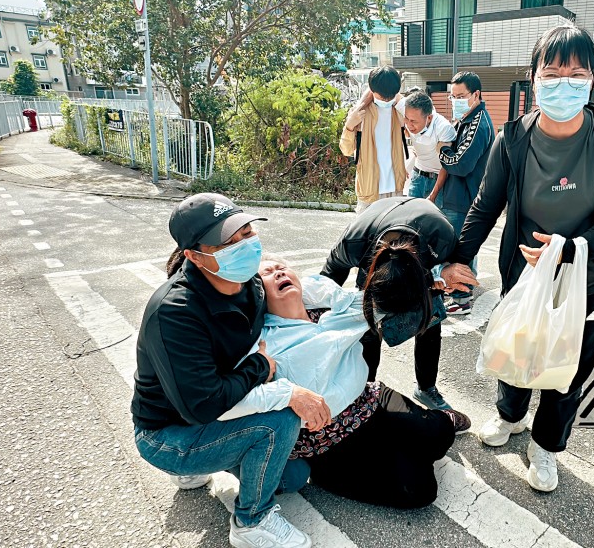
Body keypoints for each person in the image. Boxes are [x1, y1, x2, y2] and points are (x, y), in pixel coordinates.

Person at [440, 25, 594, 492]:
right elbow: (485, 205)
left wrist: (574, 247)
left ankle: (546, 446)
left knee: (567, 366)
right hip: (524, 272)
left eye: (577, 74)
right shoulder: (513, 138)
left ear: (593, 80)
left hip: (586, 277)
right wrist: (458, 259)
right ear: (533, 79)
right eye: (552, 73)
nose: (564, 83)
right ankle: (510, 417)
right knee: (520, 346)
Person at [132, 193, 331, 548]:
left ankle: (202, 465)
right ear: (194, 255)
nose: (246, 245)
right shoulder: (175, 312)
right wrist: (266, 372)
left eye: (247, 233)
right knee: (281, 421)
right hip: (168, 433)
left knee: (294, 476)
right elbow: (203, 406)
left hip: (214, 412)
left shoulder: (251, 286)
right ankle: (252, 523)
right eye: (228, 242)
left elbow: (300, 297)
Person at [225, 259, 470, 509]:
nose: (278, 272)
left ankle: (435, 424)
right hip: (328, 441)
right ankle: (335, 472)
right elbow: (232, 400)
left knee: (437, 436)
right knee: (419, 492)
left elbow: (388, 297)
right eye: (268, 272)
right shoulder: (263, 345)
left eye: (283, 268)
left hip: (371, 402)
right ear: (257, 292)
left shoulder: (333, 309)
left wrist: (437, 278)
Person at [321, 197, 476, 411]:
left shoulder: (442, 238)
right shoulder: (353, 244)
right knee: (369, 327)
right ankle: (365, 392)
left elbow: (456, 264)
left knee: (430, 321)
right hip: (376, 235)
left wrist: (446, 270)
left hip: (423, 243)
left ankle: (426, 387)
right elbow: (326, 282)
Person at [437, 71, 495, 315]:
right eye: (453, 96)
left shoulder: (478, 123)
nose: (456, 101)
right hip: (459, 196)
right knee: (463, 248)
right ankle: (464, 288)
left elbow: (461, 164)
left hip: (464, 199)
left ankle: (461, 298)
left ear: (476, 95)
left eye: (461, 96)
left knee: (459, 250)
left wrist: (442, 151)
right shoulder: (467, 119)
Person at [340, 66, 408, 213]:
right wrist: (350, 125)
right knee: (365, 234)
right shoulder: (359, 112)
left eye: (389, 96)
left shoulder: (400, 109)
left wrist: (400, 102)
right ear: (372, 90)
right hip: (369, 188)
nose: (385, 99)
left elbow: (414, 133)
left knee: (394, 234)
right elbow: (346, 150)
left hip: (396, 187)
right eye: (381, 96)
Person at [402, 90, 458, 204]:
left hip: (438, 180)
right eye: (406, 118)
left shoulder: (444, 129)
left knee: (433, 218)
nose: (408, 124)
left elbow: (445, 166)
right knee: (411, 215)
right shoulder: (409, 117)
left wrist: (433, 195)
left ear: (429, 118)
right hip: (417, 176)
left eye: (413, 121)